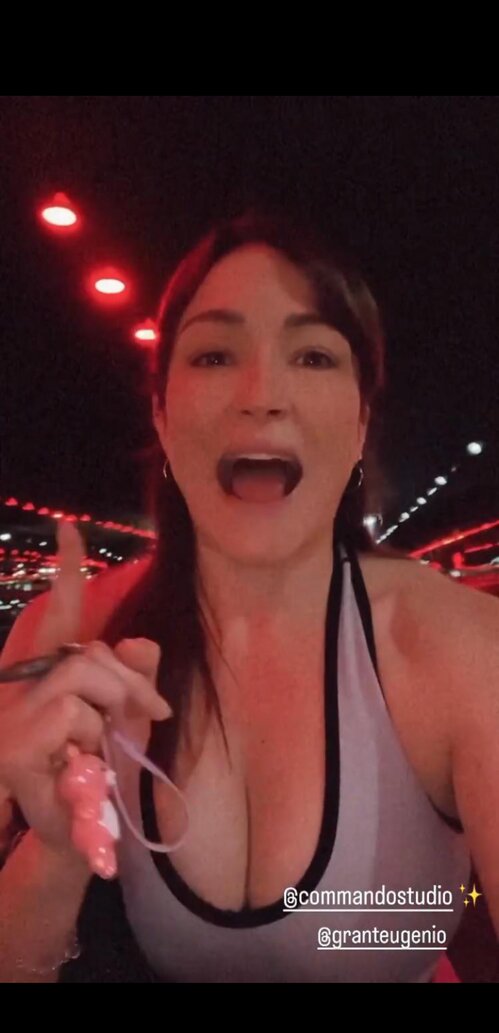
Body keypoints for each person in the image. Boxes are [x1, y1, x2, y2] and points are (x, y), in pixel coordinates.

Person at [0, 209, 497, 983]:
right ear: (162, 415)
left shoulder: (462, 648)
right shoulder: (60, 649)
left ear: (359, 423)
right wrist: (56, 849)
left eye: (312, 356)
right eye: (214, 355)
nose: (262, 394)